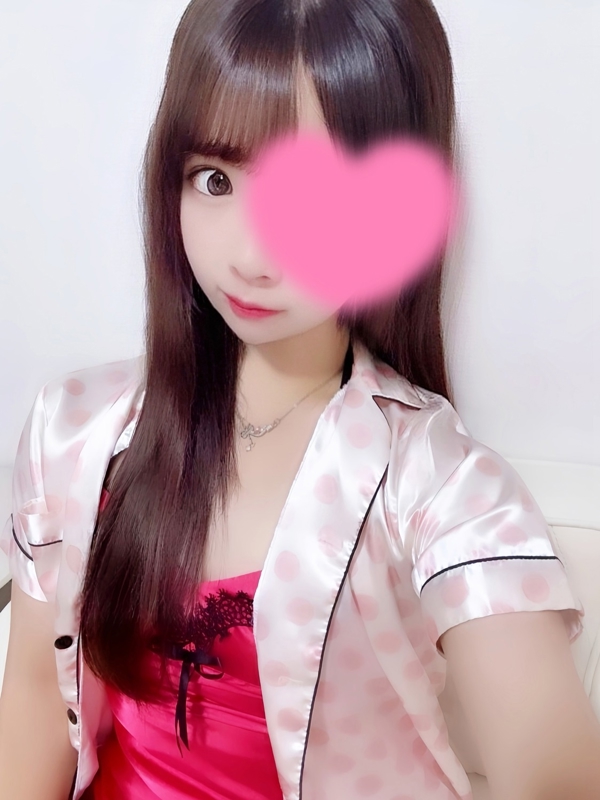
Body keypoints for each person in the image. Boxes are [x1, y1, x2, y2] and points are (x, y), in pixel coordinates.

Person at [1, 0, 600, 798]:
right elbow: (39, 704)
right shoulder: (75, 432)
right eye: (215, 180)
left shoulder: (439, 486)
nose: (252, 254)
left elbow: (555, 775)